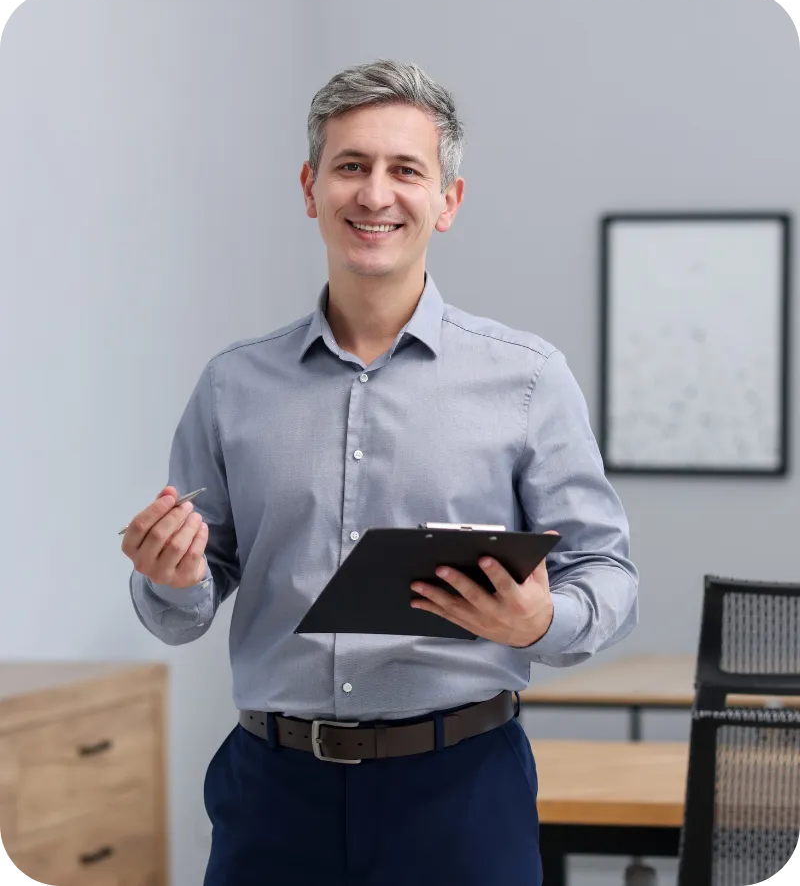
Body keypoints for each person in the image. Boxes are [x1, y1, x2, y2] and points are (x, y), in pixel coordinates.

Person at [123, 59, 639, 886]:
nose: (375, 194)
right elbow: (184, 608)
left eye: (406, 170)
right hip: (272, 794)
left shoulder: (530, 380)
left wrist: (539, 623)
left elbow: (609, 575)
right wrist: (172, 577)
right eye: (351, 166)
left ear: (448, 201)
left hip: (462, 791)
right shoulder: (232, 387)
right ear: (310, 186)